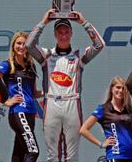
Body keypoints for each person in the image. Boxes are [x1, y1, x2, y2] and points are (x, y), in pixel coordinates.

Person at [25, 9, 105, 161]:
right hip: (51, 104)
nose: (63, 35)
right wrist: (44, 22)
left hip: (72, 104)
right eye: (60, 32)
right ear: (55, 34)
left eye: (66, 32)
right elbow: (29, 45)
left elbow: (99, 45)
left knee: (72, 156)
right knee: (52, 156)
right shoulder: (46, 56)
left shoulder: (78, 56)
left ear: (71, 34)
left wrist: (84, 22)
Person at [0, 31, 42, 162]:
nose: (21, 47)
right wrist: (5, 101)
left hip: (30, 113)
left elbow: (33, 93)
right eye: (18, 43)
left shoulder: (31, 66)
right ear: (13, 45)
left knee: (19, 153)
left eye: (24, 44)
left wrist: (49, 92)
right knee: (33, 150)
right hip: (18, 112)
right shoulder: (7, 65)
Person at [80, 76, 132, 162]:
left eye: (123, 88)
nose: (121, 91)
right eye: (118, 87)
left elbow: (131, 137)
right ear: (111, 89)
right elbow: (83, 130)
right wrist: (101, 144)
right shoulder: (103, 109)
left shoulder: (129, 110)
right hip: (115, 156)